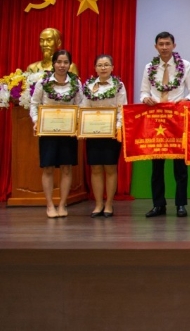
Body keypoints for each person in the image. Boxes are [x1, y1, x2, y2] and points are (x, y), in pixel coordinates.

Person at [140, 31, 190, 218]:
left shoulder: (185, 65)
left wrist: (186, 99)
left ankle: (181, 205)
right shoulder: (149, 67)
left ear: (174, 45)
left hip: (176, 120)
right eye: (161, 44)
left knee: (180, 167)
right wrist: (145, 98)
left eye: (167, 44)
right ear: (156, 47)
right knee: (157, 167)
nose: (164, 47)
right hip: (156, 120)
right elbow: (143, 92)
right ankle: (158, 205)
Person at [30, 49, 82, 219]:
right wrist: (36, 121)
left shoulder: (76, 83)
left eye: (65, 62)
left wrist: (77, 123)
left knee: (67, 168)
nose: (62, 65)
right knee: (48, 168)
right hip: (48, 130)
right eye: (59, 62)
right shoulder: (43, 82)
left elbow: (80, 105)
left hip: (68, 132)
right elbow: (34, 104)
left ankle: (62, 204)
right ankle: (50, 204)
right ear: (53, 63)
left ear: (70, 64)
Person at [81, 54, 127, 218]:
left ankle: (109, 204)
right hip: (93, 132)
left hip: (112, 133)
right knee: (95, 168)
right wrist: (84, 127)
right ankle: (98, 203)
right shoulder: (88, 86)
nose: (103, 68)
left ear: (112, 68)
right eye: (100, 65)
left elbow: (122, 108)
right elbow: (84, 107)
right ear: (95, 68)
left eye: (106, 65)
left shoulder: (118, 85)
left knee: (110, 167)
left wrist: (117, 128)